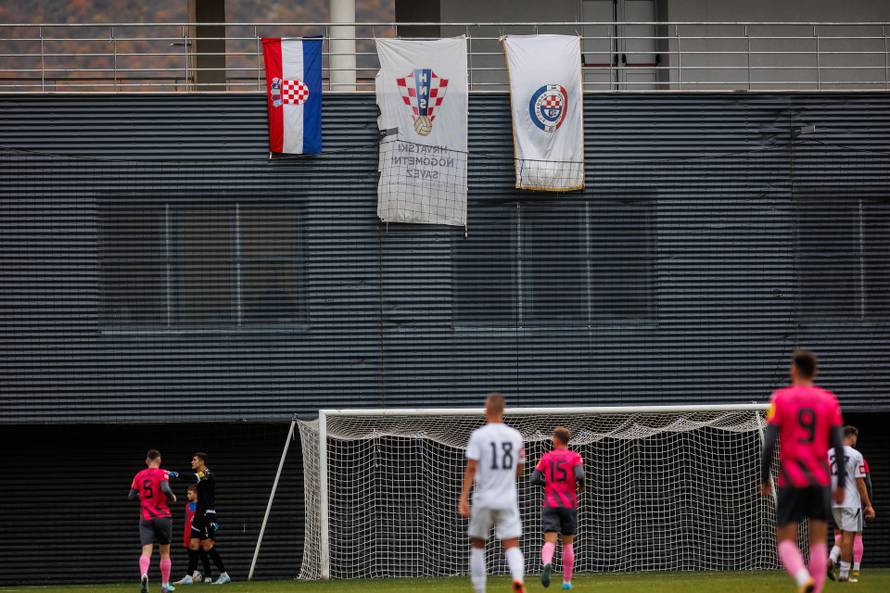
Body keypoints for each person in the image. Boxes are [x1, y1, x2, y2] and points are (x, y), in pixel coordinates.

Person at [759, 350, 846, 593]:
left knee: (786, 541)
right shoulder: (830, 400)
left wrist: (764, 478)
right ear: (815, 372)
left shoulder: (780, 399)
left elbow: (769, 443)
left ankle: (801, 578)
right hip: (820, 479)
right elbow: (838, 445)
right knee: (818, 541)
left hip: (791, 478)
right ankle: (814, 589)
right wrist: (841, 485)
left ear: (793, 370)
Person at [458, 393, 527, 593]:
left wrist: (463, 497)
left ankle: (480, 590)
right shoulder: (515, 436)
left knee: (478, 544)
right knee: (512, 543)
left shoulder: (479, 435)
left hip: (484, 499)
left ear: (486, 410)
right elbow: (520, 470)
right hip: (507, 498)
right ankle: (517, 580)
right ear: (503, 411)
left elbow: (471, 468)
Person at [531, 427, 585, 590]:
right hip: (568, 503)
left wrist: (548, 484)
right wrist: (580, 486)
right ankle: (567, 582)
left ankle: (547, 563)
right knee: (567, 543)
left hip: (550, 503)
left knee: (550, 541)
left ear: (556, 440)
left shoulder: (546, 457)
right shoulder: (575, 456)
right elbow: (580, 475)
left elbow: (534, 479)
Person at [170, 452, 230, 585]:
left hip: (207, 515)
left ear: (202, 461)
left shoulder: (207, 474)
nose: (192, 462)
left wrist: (174, 474)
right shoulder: (201, 476)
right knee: (193, 545)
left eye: (194, 459)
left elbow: (192, 477)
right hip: (199, 513)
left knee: (208, 546)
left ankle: (224, 574)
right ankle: (188, 576)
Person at [826, 426, 875, 582]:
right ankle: (844, 574)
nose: (856, 441)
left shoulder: (829, 453)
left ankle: (831, 560)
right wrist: (868, 505)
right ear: (852, 437)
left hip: (834, 502)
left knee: (840, 536)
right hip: (850, 501)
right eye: (855, 437)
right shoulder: (856, 455)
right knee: (849, 537)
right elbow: (861, 483)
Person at [129, 449, 177, 593]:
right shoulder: (163, 472)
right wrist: (172, 496)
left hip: (145, 518)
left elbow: (131, 496)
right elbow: (165, 487)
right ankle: (164, 585)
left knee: (145, 552)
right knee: (165, 552)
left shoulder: (138, 475)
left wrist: (141, 496)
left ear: (146, 461)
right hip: (163, 517)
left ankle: (144, 574)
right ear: (159, 460)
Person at [182, 484, 213, 583]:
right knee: (192, 556)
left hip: (199, 534)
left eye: (190, 493)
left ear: (196, 494)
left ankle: (208, 576)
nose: (188, 495)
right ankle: (191, 575)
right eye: (187, 493)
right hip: (188, 534)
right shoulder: (187, 505)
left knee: (203, 556)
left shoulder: (201, 505)